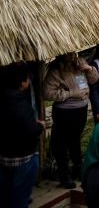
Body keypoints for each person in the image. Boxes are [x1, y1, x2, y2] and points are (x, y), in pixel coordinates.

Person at [43, 53, 97, 188]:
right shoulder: (56, 71)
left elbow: (94, 79)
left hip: (81, 110)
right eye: (69, 55)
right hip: (64, 112)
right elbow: (47, 92)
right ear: (62, 55)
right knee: (61, 143)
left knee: (75, 140)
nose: (73, 56)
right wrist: (70, 94)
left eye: (74, 54)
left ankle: (78, 170)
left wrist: (89, 69)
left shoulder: (80, 63)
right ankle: (64, 175)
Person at [0, 63, 45, 208]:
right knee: (20, 199)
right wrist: (40, 125)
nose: (30, 81)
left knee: (7, 196)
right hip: (23, 158)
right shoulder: (19, 104)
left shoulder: (4, 98)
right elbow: (30, 129)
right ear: (21, 82)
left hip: (5, 157)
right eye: (27, 78)